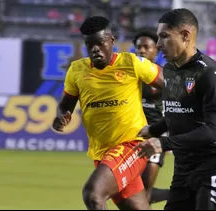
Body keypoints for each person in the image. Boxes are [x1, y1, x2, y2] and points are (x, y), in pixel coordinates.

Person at [134, 8, 216, 210]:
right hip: (185, 166)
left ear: (185, 36)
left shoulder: (208, 72)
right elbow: (179, 113)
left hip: (215, 165)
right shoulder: (170, 70)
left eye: (164, 36)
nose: (158, 44)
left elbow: (213, 131)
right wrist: (153, 129)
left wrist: (163, 143)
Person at [52, 16, 163, 210]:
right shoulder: (76, 70)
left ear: (111, 41)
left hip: (131, 145)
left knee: (93, 194)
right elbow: (65, 105)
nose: (95, 49)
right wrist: (61, 116)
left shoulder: (131, 63)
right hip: (102, 153)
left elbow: (171, 84)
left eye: (100, 43)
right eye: (90, 44)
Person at [133, 31, 170, 204]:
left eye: (146, 47)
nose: (141, 50)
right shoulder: (130, 76)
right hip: (134, 134)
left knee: (146, 187)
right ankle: (179, 194)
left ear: (156, 50)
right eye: (138, 47)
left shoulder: (164, 75)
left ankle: (180, 194)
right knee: (135, 190)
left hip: (157, 135)